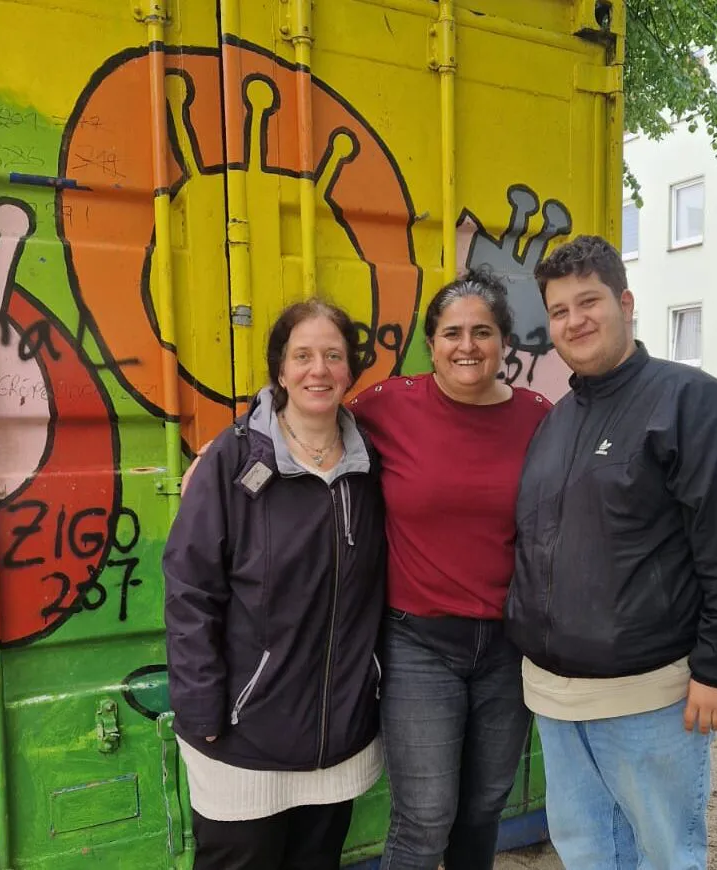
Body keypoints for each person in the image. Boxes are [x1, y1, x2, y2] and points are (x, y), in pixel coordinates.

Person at [504, 235, 717, 870]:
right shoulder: (556, 420)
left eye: (589, 302)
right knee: (587, 851)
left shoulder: (690, 402)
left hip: (648, 695)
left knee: (663, 854)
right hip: (554, 694)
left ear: (625, 304)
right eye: (560, 310)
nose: (575, 320)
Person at [163, 300, 387, 870]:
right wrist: (200, 705)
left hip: (338, 733)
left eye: (333, 355)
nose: (319, 370)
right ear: (280, 370)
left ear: (350, 369)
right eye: (302, 355)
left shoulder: (372, 463)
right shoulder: (233, 459)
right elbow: (191, 589)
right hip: (242, 734)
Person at [348, 268, 552, 869]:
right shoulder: (389, 405)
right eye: (452, 333)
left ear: (504, 342)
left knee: (485, 805)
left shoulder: (538, 416)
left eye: (482, 332)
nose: (468, 345)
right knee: (425, 817)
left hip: (508, 645)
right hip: (419, 642)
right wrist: (230, 448)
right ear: (432, 345)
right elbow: (304, 416)